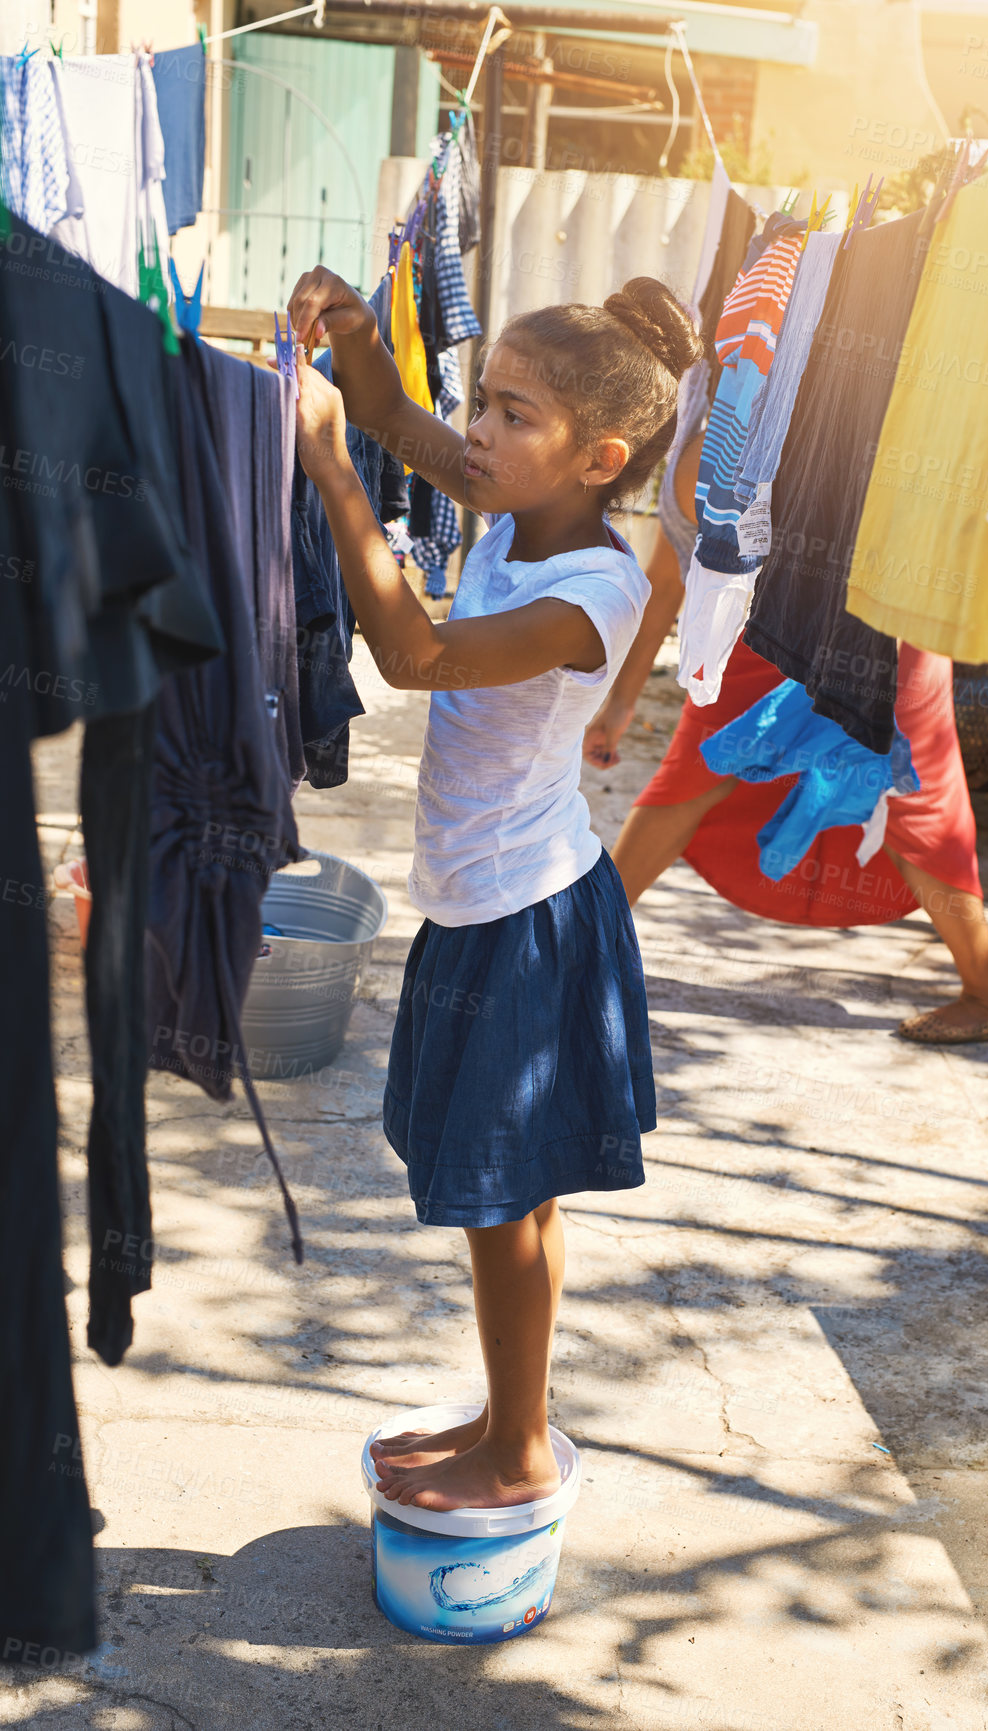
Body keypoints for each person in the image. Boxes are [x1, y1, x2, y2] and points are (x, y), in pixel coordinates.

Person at [285, 266, 702, 1510]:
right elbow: (405, 420)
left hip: (526, 921)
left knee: (501, 1198)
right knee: (512, 1199)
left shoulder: (592, 596)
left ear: (598, 457)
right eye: (486, 399)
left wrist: (333, 475)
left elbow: (415, 655)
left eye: (514, 413)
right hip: (486, 899)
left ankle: (518, 1448)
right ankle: (505, 1413)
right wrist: (358, 342)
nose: (477, 431)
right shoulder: (519, 509)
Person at [585, 429, 988, 1045]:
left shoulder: (855, 389)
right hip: (773, 627)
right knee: (699, 771)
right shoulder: (712, 422)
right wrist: (621, 701)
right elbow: (670, 573)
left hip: (885, 621)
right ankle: (578, 951)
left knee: (907, 796)